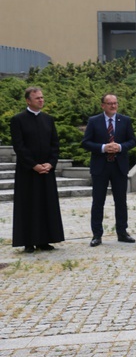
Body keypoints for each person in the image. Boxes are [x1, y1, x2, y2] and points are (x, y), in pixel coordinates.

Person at [10, 87, 65, 253]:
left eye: (42, 97)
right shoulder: (18, 120)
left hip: (46, 170)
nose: (41, 100)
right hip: (28, 171)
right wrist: (33, 165)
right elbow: (19, 146)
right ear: (28, 100)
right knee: (28, 205)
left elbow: (54, 144)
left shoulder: (48, 119)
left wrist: (51, 163)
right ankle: (28, 241)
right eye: (37, 98)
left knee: (46, 204)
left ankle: (45, 240)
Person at [81, 93, 136, 246]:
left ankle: (122, 232)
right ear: (103, 105)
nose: (113, 106)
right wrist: (103, 147)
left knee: (121, 201)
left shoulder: (124, 120)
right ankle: (97, 235)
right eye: (110, 103)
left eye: (115, 103)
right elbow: (86, 143)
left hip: (119, 166)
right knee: (98, 201)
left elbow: (132, 141)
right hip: (100, 166)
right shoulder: (94, 121)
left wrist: (119, 147)